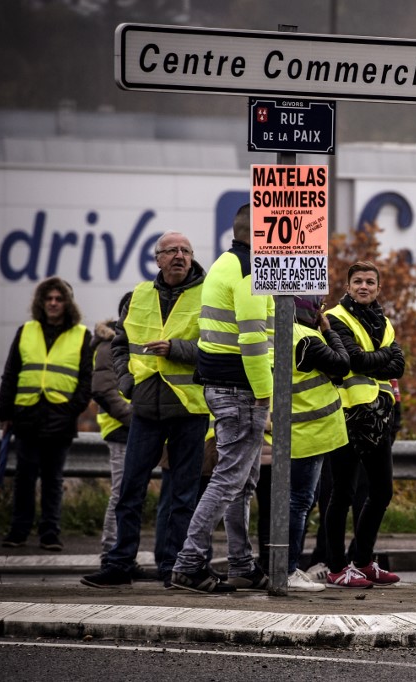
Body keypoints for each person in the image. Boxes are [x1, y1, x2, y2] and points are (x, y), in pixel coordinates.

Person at [81, 231, 208, 589]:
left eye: (185, 250)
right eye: (171, 251)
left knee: (183, 496)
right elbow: (120, 345)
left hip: (188, 408)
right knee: (130, 491)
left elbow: (218, 348)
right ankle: (120, 563)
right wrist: (127, 384)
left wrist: (177, 349)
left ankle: (172, 567)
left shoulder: (208, 293)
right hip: (146, 408)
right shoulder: (139, 295)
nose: (179, 256)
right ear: (157, 259)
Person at [171, 204, 274, 594]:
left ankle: (242, 563)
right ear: (261, 234)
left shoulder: (225, 263)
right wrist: (265, 397)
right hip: (240, 390)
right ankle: (189, 563)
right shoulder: (249, 271)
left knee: (243, 482)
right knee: (228, 481)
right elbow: (251, 338)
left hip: (223, 386)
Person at [323, 261, 404, 588]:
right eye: (358, 281)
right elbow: (353, 359)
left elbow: (399, 364)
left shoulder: (383, 322)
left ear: (378, 287)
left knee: (382, 490)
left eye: (370, 282)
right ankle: (336, 566)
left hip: (378, 416)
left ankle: (363, 560)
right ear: (348, 285)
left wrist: (380, 361)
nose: (364, 287)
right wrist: (383, 360)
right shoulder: (336, 319)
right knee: (342, 492)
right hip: (347, 414)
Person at [0, 277, 92, 551]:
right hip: (27, 414)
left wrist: (71, 410)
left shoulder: (81, 335)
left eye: (58, 299)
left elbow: (86, 381)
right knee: (24, 477)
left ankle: (50, 533)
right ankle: (18, 531)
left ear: (67, 303)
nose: (53, 303)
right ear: (41, 302)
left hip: (60, 417)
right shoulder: (25, 331)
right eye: (48, 298)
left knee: (53, 479)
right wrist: (5, 412)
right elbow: (10, 374)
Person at [282, 294, 350, 592]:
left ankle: (281, 567)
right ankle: (286, 569)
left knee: (294, 501)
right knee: (299, 502)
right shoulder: (308, 338)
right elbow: (343, 364)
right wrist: (329, 330)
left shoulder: (278, 331)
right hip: (309, 431)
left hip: (294, 428)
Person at [91, 296, 134, 561]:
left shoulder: (137, 341)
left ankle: (123, 554)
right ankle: (111, 553)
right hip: (122, 429)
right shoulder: (109, 346)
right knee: (121, 492)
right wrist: (135, 419)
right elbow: (104, 390)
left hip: (139, 427)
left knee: (129, 493)